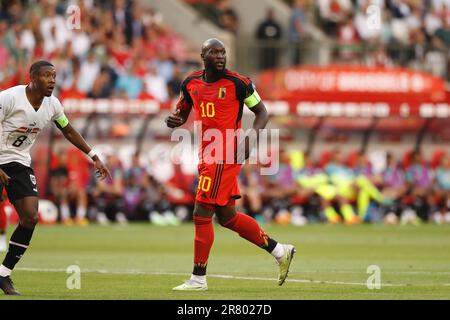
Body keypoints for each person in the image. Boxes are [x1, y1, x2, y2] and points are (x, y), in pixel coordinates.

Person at [165, 38, 295, 291]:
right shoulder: (190, 83)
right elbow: (182, 111)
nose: (220, 56)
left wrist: (250, 140)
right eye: (214, 52)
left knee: (201, 211)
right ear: (203, 56)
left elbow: (262, 113)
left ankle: (198, 278)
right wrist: (176, 120)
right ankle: (280, 251)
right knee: (227, 217)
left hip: (225, 154)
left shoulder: (239, 83)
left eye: (223, 52)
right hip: (207, 153)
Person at [0, 60, 110, 295]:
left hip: (18, 162)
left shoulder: (53, 105)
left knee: (30, 217)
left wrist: (93, 155)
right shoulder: (9, 98)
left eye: (54, 76)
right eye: (46, 76)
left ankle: (3, 274)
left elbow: (68, 129)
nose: (52, 80)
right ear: (32, 77)